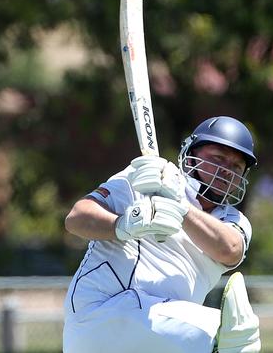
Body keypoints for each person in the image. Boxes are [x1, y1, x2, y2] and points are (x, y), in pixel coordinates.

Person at [62, 116, 261, 353]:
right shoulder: (147, 176)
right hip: (103, 312)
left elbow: (229, 250)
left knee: (232, 335)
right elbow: (76, 218)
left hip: (161, 335)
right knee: (233, 336)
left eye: (236, 166)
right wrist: (122, 225)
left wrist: (179, 207)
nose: (226, 171)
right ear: (191, 154)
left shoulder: (234, 221)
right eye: (218, 158)